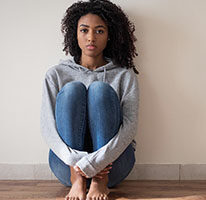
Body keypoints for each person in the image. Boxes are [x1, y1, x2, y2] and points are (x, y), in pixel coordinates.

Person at [40, 0, 139, 199]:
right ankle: (77, 182)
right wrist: (76, 162)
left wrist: (98, 162)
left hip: (113, 166)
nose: (91, 37)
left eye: (100, 31)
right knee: (72, 90)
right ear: (74, 34)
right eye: (84, 30)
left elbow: (130, 127)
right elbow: (47, 126)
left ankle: (99, 183)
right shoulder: (56, 74)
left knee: (100, 90)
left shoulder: (124, 75)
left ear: (110, 35)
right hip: (68, 165)